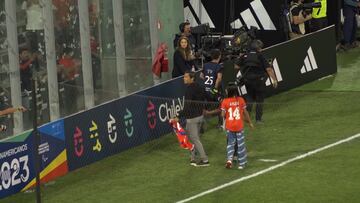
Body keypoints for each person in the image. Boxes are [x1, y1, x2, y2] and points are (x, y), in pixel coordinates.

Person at [234, 40, 278, 123]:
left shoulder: (245, 55)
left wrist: (243, 62)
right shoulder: (260, 56)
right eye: (260, 48)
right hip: (258, 81)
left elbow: (236, 66)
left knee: (249, 98)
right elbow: (269, 69)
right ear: (258, 48)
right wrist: (274, 80)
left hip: (247, 81)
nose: (261, 49)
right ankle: (258, 119)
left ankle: (246, 117)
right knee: (260, 100)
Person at [175, 71, 209, 167]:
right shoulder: (200, 86)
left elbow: (187, 106)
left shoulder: (189, 90)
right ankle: (193, 157)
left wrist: (178, 115)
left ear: (192, 78)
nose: (184, 78)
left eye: (186, 77)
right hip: (200, 116)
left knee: (194, 138)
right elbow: (207, 97)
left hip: (192, 118)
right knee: (193, 137)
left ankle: (205, 160)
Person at [221, 84, 254, 169]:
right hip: (239, 126)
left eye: (227, 90)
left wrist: (225, 110)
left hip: (230, 126)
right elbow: (245, 112)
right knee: (241, 145)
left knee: (230, 144)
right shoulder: (241, 100)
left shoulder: (225, 101)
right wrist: (250, 122)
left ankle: (229, 160)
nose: (226, 91)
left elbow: (222, 114)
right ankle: (241, 164)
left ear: (230, 91)